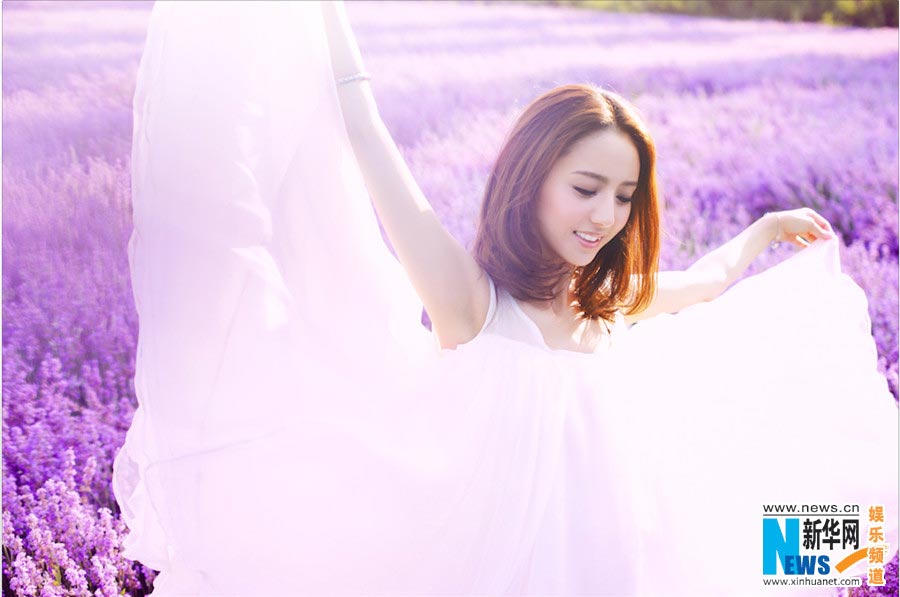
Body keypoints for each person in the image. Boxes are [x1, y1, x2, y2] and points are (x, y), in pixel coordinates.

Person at [113, 2, 898, 595]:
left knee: (814, 534)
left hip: (619, 556)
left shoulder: (608, 305)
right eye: (586, 188)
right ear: (532, 180)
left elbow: (707, 283)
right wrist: (325, 15)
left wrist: (763, 229)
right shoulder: (475, 305)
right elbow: (368, 135)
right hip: (499, 566)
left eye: (624, 196)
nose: (606, 216)